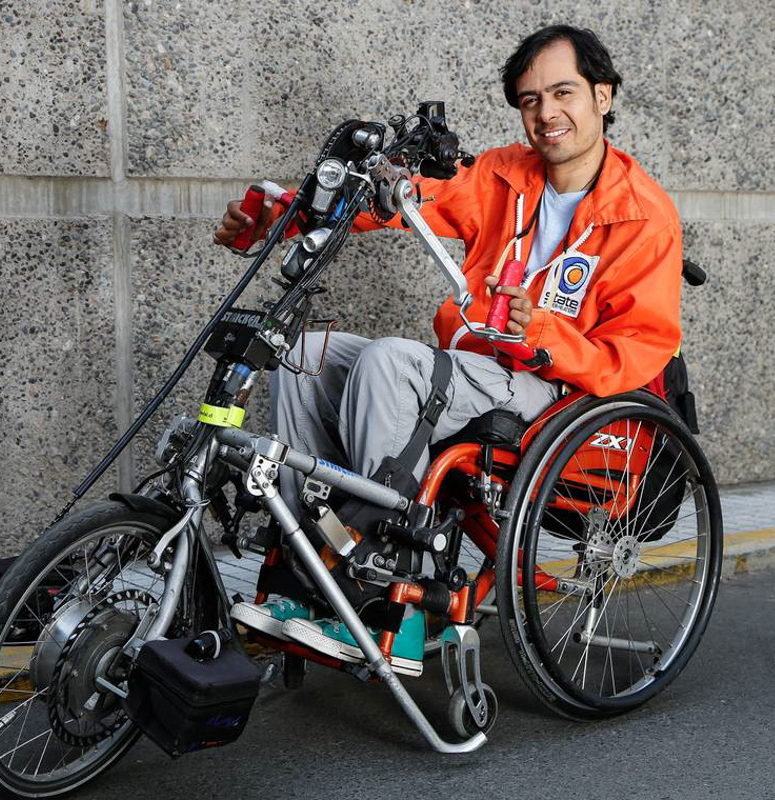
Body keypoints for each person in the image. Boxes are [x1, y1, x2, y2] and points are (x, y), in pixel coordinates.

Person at [213, 25, 684, 675]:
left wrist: (540, 329)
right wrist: (277, 219)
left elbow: (638, 354)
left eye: (564, 92)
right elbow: (395, 203)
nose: (546, 113)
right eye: (529, 99)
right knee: (306, 353)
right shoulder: (501, 174)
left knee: (390, 364)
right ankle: (308, 572)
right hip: (478, 370)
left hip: (563, 398)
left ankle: (390, 602)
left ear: (604, 96)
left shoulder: (644, 215)